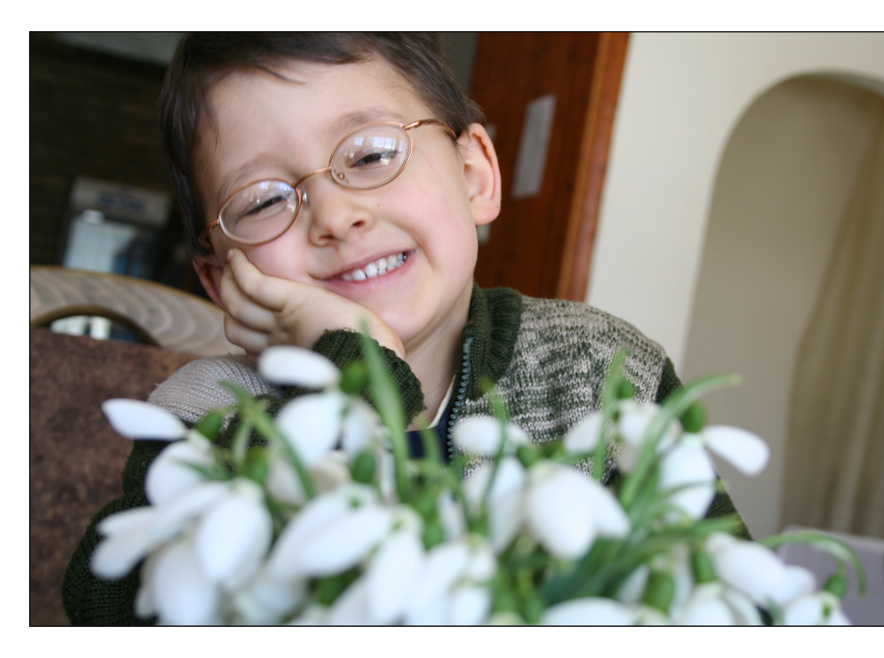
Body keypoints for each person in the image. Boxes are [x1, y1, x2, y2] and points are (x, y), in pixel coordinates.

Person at [62, 33, 746, 625]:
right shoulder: (211, 411)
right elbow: (109, 606)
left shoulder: (601, 368)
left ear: (474, 175)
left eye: (369, 156)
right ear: (222, 282)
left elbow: (731, 600)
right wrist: (355, 373)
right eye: (264, 199)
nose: (336, 216)